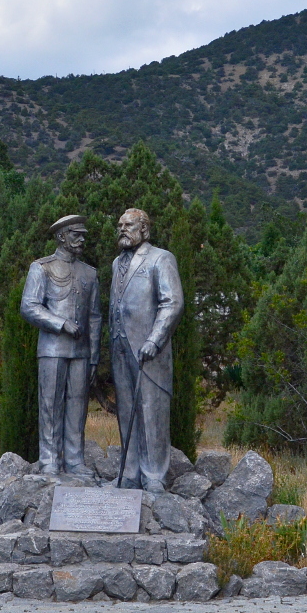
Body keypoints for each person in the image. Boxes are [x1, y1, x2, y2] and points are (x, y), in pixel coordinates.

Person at [19, 214, 101, 476]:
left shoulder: (90, 273)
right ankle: (50, 460)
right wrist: (60, 323)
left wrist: (94, 356)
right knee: (50, 405)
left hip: (81, 353)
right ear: (61, 236)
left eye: (83, 235)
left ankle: (75, 461)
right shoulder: (41, 268)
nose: (82, 240)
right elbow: (29, 306)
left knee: (78, 407)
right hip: (52, 349)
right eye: (76, 234)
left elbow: (95, 317)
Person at [109, 208, 184, 492]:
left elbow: (172, 302)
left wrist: (155, 339)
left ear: (144, 229)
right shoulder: (116, 263)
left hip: (149, 348)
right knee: (126, 410)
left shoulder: (161, 258)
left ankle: (154, 475)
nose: (122, 229)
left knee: (151, 411)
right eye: (120, 225)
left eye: (128, 225)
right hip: (120, 346)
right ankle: (129, 474)